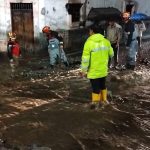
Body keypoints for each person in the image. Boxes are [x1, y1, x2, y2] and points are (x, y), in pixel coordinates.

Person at [80, 24, 114, 109]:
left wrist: (83, 71)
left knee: (95, 88)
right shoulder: (106, 41)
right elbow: (112, 54)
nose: (89, 32)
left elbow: (85, 59)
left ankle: (96, 106)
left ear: (92, 31)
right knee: (103, 85)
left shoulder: (89, 43)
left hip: (93, 71)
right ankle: (105, 101)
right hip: (103, 69)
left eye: (89, 30)